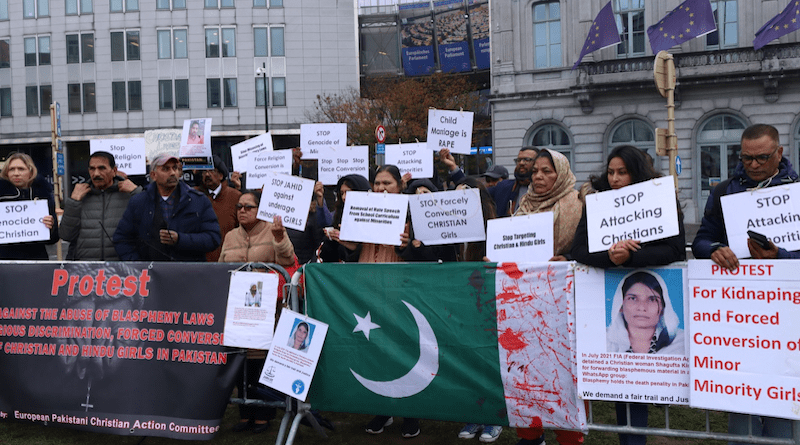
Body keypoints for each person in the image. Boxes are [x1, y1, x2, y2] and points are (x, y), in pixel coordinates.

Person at [572, 145, 686, 445]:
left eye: (622, 172)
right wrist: (611, 258)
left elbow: (674, 248)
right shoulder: (596, 204)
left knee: (642, 382)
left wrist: (630, 258)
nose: (614, 178)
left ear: (637, 172)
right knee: (621, 383)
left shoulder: (661, 200)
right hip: (607, 300)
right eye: (611, 172)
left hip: (648, 294)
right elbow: (579, 250)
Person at [691, 124, 796, 444]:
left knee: (786, 402)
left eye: (762, 158)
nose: (752, 165)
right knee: (743, 406)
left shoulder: (797, 191)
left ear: (779, 153)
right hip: (741, 318)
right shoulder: (723, 191)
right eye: (746, 158)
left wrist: (780, 256)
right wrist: (714, 250)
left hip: (788, 319)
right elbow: (701, 240)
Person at [331, 165, 419, 438]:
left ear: (400, 186)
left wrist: (407, 245)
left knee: (403, 349)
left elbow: (426, 252)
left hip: (399, 289)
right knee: (375, 350)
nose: (381, 188)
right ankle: (382, 409)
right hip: (368, 286)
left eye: (387, 183)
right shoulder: (362, 209)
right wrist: (346, 241)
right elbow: (353, 250)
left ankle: (411, 412)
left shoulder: (412, 214)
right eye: (377, 183)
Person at [510, 148, 583, 445]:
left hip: (563, 310)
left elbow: (587, 249)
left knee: (563, 377)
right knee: (524, 371)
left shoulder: (576, 205)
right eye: (536, 170)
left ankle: (568, 436)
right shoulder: (524, 204)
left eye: (547, 171)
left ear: (561, 173)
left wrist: (565, 256)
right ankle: (530, 433)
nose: (538, 176)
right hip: (522, 305)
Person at [219, 189, 297, 434]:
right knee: (240, 360)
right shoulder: (231, 236)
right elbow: (222, 267)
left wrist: (280, 237)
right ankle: (245, 414)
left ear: (260, 209)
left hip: (267, 311)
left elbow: (288, 260)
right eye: (239, 206)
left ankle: (264, 415)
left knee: (261, 362)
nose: (242, 210)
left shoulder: (273, 231)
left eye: (248, 207)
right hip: (238, 310)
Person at [454, 176, 503, 443]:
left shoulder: (492, 229)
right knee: (467, 359)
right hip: (459, 302)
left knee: (488, 360)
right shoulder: (445, 230)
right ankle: (473, 414)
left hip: (485, 301)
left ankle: (493, 417)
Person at [113, 154, 221, 261]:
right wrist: (138, 266)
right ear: (153, 175)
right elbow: (122, 239)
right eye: (166, 169)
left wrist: (180, 239)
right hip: (151, 274)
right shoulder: (138, 202)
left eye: (175, 168)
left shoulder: (198, 200)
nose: (172, 173)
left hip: (188, 273)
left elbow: (213, 238)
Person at [60, 151, 142, 260]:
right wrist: (73, 202)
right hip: (85, 269)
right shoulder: (80, 196)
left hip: (122, 269)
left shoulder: (130, 194)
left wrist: (137, 193)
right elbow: (66, 235)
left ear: (114, 171)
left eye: (102, 168)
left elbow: (148, 228)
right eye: (92, 169)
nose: (96, 174)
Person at [607, 270, 684, 355]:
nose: (642, 307)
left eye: (652, 299)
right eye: (633, 298)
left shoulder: (681, 343)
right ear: (620, 305)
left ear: (663, 307)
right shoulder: (604, 341)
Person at [0, 153, 58, 259]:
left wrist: (51, 227)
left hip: (36, 260)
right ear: (6, 173)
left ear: (31, 172)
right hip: (4, 261)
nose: (16, 173)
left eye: (21, 169)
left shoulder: (43, 197)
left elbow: (53, 239)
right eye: (11, 169)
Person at [196, 155, 241, 262]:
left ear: (221, 175)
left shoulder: (235, 196)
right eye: (204, 171)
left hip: (227, 261)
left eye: (211, 171)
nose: (207, 174)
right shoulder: (193, 196)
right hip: (199, 262)